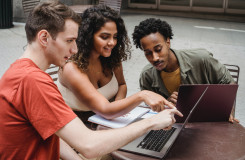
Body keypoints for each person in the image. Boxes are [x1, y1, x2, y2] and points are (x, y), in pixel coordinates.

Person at [0, 2, 183, 160]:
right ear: (44, 38)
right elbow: (88, 145)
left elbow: (53, 134)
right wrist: (151, 123)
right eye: (70, 40)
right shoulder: (32, 81)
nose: (74, 49)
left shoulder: (21, 73)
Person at [57, 5, 174, 126]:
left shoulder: (111, 58)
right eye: (104, 37)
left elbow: (122, 85)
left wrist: (119, 104)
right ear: (88, 36)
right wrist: (142, 95)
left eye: (115, 37)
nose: (112, 42)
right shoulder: (71, 68)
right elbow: (105, 110)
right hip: (77, 126)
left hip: (109, 121)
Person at [132, 18, 238, 123]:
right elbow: (151, 112)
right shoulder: (147, 76)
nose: (155, 58)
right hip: (172, 127)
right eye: (148, 53)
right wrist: (166, 105)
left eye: (158, 49)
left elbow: (229, 84)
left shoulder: (201, 58)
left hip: (208, 122)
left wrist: (227, 112)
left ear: (168, 42)